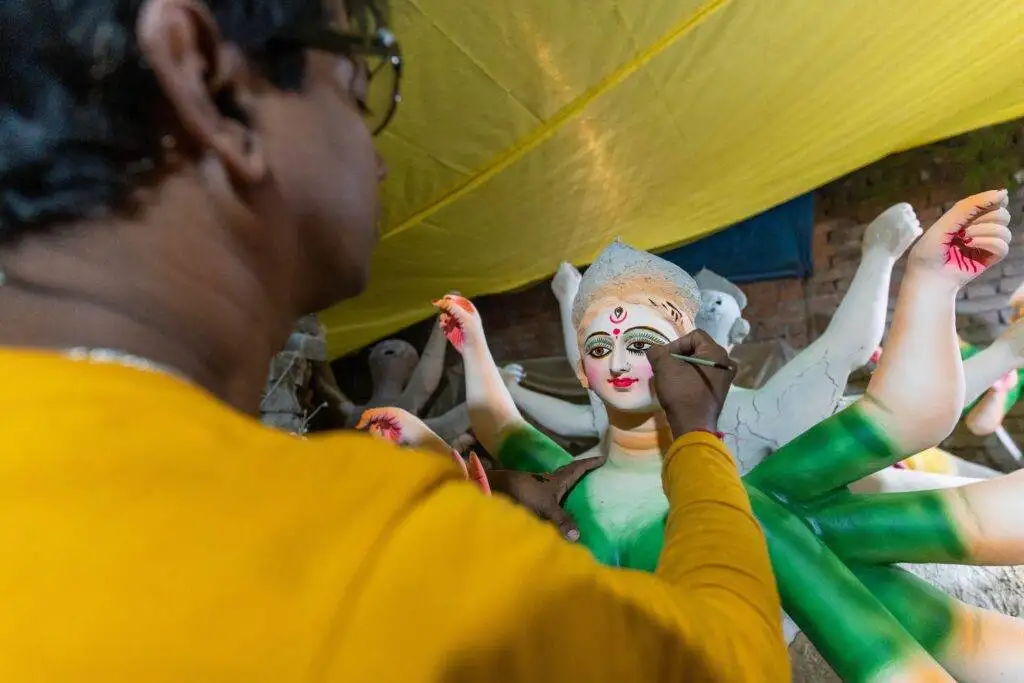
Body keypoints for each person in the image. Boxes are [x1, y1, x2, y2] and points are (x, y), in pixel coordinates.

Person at [0, 0, 787, 680]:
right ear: (209, 79)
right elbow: (726, 662)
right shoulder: (370, 556)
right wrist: (698, 439)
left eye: (639, 340)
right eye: (357, 89)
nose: (380, 162)